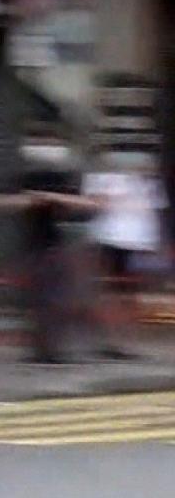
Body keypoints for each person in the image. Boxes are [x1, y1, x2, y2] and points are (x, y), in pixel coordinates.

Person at [0, 140, 96, 363]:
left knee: (59, 299)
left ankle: (53, 349)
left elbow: (87, 203)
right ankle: (40, 349)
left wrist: (52, 198)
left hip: (57, 244)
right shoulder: (20, 175)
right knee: (37, 301)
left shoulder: (60, 177)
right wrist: (30, 200)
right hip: (30, 244)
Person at [82, 151, 167, 359]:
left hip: (137, 244)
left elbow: (153, 213)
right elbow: (94, 203)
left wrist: (157, 243)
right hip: (112, 241)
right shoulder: (106, 179)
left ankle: (123, 341)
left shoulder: (149, 184)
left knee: (129, 295)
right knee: (112, 293)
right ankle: (110, 340)